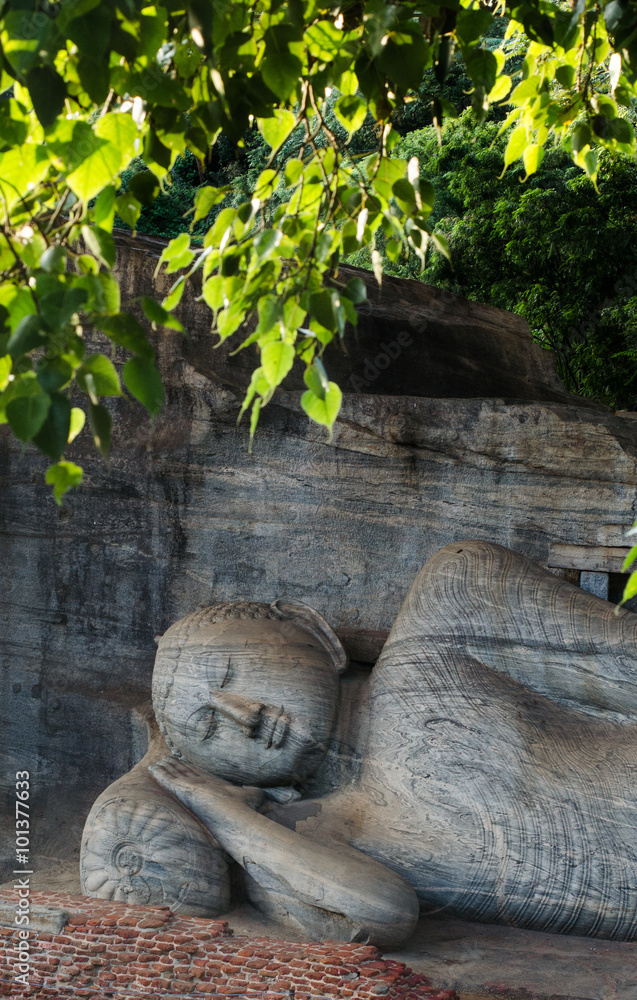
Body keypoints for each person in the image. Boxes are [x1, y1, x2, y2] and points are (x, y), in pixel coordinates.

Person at [82, 541, 637, 945]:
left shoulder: (444, 616)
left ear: (315, 630)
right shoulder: (312, 834)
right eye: (209, 729)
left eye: (237, 672)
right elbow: (383, 912)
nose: (244, 716)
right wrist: (220, 812)